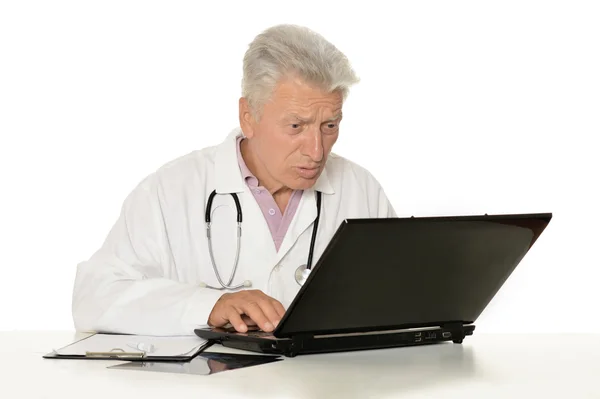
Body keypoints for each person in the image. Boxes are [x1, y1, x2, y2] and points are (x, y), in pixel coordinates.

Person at [72, 24, 397, 336]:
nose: (316, 150)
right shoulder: (171, 190)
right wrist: (209, 305)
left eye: (330, 125)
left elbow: (403, 299)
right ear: (248, 117)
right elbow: (94, 299)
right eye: (296, 126)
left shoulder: (360, 188)